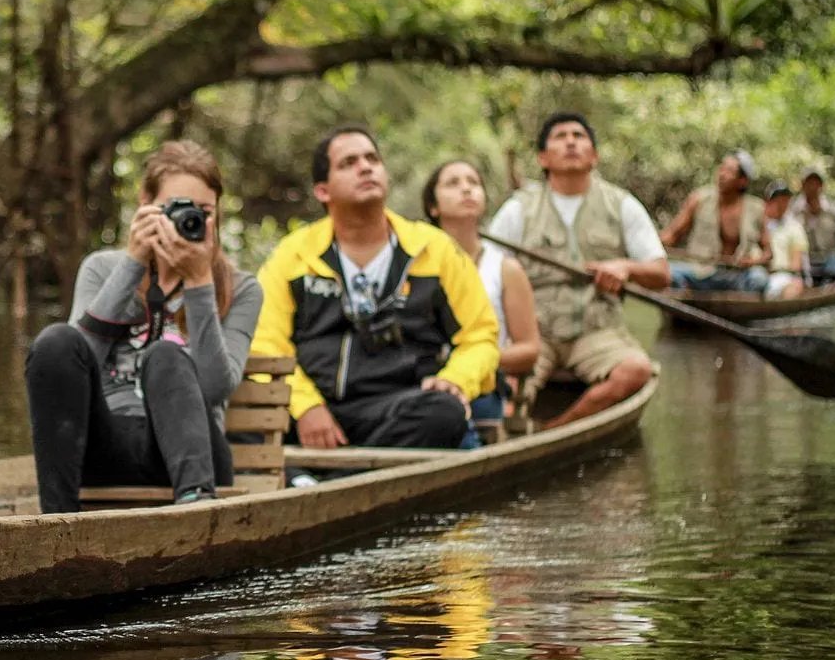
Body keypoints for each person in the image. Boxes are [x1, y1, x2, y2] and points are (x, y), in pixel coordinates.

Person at [24, 140, 263, 513]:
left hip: (194, 455)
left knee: (165, 355)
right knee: (55, 340)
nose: (188, 220)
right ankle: (57, 523)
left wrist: (200, 281)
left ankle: (196, 511)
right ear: (146, 204)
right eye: (176, 209)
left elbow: (216, 388)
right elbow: (74, 363)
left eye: (203, 211)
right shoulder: (102, 269)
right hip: (105, 448)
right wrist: (134, 262)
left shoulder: (241, 288)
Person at [252, 126, 499, 451]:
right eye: (349, 163)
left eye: (372, 159)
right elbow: (264, 344)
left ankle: (322, 478)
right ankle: (327, 473)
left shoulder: (435, 249)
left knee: (444, 412)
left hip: (402, 407)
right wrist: (306, 406)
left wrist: (455, 380)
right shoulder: (293, 255)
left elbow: (480, 336)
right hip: (316, 412)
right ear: (323, 191)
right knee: (234, 416)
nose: (365, 167)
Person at [486, 113, 669, 429]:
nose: (570, 141)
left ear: (594, 155)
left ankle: (556, 430)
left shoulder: (622, 205)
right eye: (559, 136)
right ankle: (508, 425)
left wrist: (625, 267)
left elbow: (661, 274)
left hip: (597, 330)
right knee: (491, 377)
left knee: (637, 371)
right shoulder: (518, 209)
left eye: (578, 135)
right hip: (533, 331)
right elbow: (486, 274)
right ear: (543, 158)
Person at [421, 159, 541, 444]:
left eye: (473, 183)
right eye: (453, 183)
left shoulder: (505, 269)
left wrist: (472, 360)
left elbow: (529, 349)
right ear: (433, 207)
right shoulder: (415, 263)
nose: (466, 190)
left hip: (481, 384)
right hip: (423, 378)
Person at [659, 150, 771, 293]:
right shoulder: (699, 199)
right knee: (667, 273)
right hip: (700, 272)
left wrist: (752, 262)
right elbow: (672, 235)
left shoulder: (757, 208)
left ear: (743, 181)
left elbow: (768, 253)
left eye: (729, 171)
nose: (722, 174)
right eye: (722, 168)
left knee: (759, 278)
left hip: (737, 276)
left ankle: (739, 309)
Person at [761, 180, 810, 300]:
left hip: (785, 276)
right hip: (760, 275)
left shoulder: (794, 227)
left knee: (790, 288)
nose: (781, 204)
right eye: (777, 200)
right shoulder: (760, 224)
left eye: (785, 200)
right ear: (768, 202)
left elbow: (796, 263)